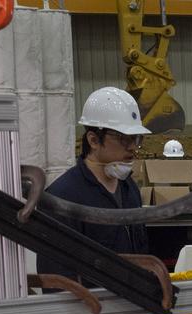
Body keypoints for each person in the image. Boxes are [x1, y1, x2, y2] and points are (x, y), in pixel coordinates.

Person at [36, 87, 149, 288]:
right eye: (124, 138)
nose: (132, 147)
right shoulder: (62, 197)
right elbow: (57, 280)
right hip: (92, 305)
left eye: (136, 139)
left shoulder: (129, 189)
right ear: (94, 140)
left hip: (133, 302)